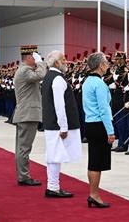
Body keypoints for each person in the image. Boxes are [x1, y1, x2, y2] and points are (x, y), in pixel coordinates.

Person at [42, 50, 82, 198]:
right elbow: (60, 105)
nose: (66, 62)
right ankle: (53, 187)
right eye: (63, 60)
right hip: (56, 125)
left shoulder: (49, 77)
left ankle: (53, 186)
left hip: (52, 123)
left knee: (54, 156)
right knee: (54, 156)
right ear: (57, 62)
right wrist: (64, 127)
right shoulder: (57, 79)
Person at [82, 52, 115, 208]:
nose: (107, 65)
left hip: (89, 123)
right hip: (99, 124)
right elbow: (104, 109)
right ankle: (94, 195)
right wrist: (110, 131)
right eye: (106, 62)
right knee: (97, 162)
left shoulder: (87, 81)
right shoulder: (99, 84)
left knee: (92, 160)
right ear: (100, 65)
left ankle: (92, 193)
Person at [13, 46, 47, 186]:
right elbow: (40, 75)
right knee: (24, 148)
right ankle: (24, 177)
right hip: (28, 114)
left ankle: (23, 175)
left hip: (26, 113)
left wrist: (38, 63)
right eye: (35, 56)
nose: (37, 59)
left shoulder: (24, 70)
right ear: (28, 58)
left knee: (22, 147)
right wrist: (40, 63)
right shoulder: (25, 70)